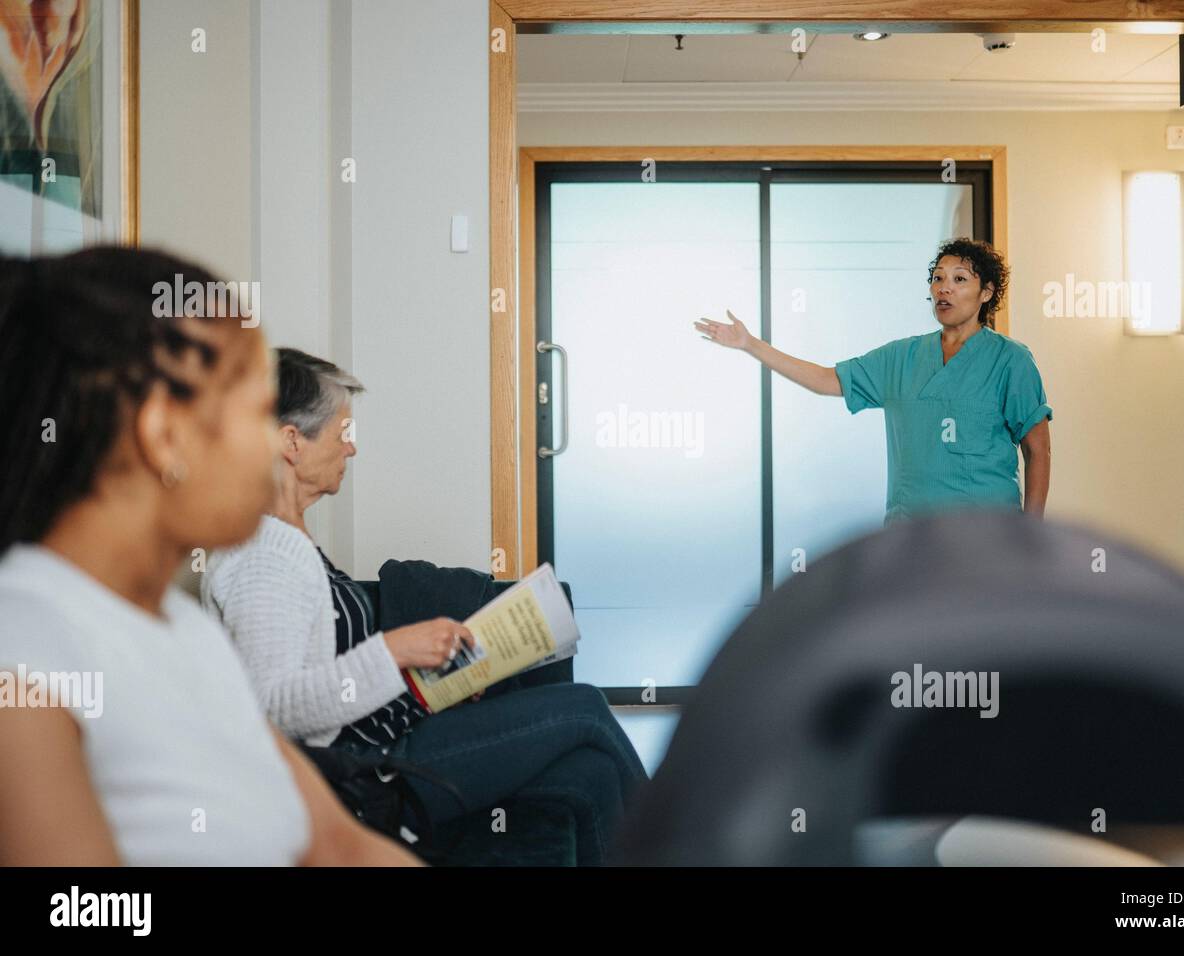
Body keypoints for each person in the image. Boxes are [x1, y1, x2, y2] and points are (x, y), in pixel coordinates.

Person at [0, 248, 423, 865]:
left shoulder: (187, 631)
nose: (277, 449)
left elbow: (339, 845)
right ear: (164, 436)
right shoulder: (26, 651)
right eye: (258, 412)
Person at [201, 348, 648, 865]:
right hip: (364, 775)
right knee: (584, 706)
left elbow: (332, 678)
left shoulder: (288, 541)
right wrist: (395, 650)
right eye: (343, 432)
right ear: (291, 442)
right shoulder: (264, 553)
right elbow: (276, 709)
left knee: (589, 773)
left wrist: (434, 680)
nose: (351, 448)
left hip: (386, 741)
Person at [695, 237, 1052, 523]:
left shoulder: (1011, 361)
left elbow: (1038, 451)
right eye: (938, 278)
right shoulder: (901, 358)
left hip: (987, 541)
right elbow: (824, 379)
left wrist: (1031, 538)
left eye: (959, 279)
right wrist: (750, 344)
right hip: (910, 541)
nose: (944, 288)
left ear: (986, 292)